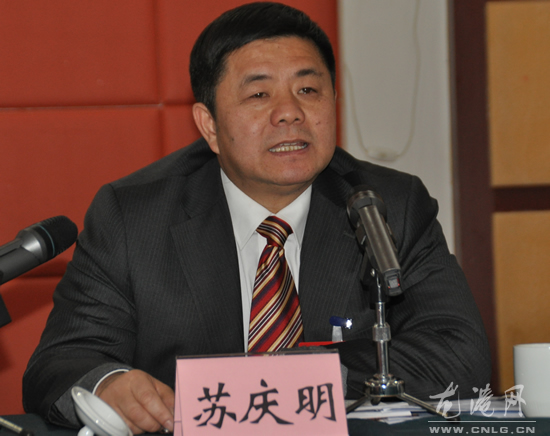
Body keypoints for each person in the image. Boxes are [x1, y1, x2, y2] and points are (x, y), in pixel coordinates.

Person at [23, 2, 491, 434]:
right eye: (259, 94)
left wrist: (288, 384)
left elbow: (459, 355)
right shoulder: (133, 217)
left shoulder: (386, 204)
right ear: (209, 125)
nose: (289, 113)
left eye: (308, 90)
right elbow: (62, 362)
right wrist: (108, 384)